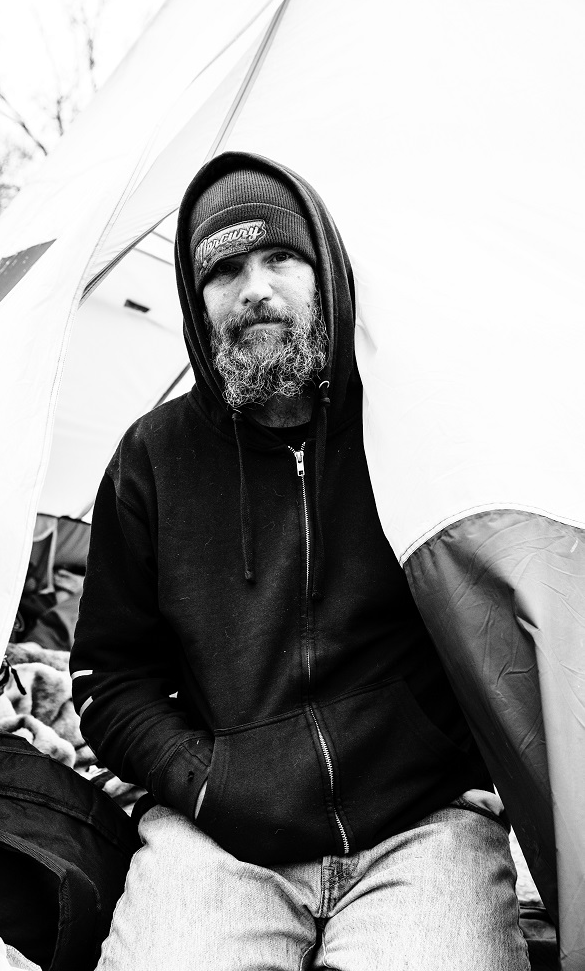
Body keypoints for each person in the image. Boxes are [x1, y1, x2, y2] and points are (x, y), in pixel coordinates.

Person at [69, 152, 529, 971]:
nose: (256, 288)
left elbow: (509, 602)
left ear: (326, 270)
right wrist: (202, 780)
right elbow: (109, 681)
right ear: (195, 300)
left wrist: (464, 753)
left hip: (421, 828)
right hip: (219, 840)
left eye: (281, 257)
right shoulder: (152, 456)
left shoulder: (409, 421)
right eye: (226, 269)